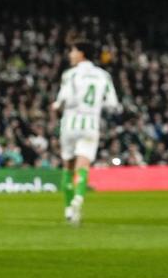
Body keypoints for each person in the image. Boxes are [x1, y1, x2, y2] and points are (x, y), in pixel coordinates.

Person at [51, 41, 119, 226]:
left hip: (70, 124)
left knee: (68, 167)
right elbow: (112, 104)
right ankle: (78, 199)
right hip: (90, 124)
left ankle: (68, 210)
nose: (70, 55)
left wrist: (56, 106)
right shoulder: (103, 75)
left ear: (82, 53)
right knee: (83, 166)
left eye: (73, 51)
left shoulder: (70, 74)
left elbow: (63, 100)